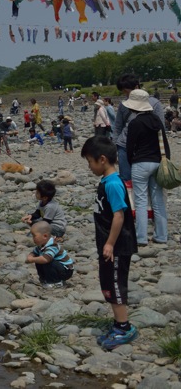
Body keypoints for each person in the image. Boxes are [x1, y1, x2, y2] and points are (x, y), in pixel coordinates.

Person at [81, 136, 139, 351]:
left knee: (115, 284)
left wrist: (110, 244)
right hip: (109, 244)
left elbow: (119, 216)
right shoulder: (107, 181)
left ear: (102, 159)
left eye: (90, 162)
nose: (89, 167)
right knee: (107, 282)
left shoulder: (113, 183)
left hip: (117, 245)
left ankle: (124, 327)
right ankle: (118, 323)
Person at [122, 89, 170, 246]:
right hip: (157, 162)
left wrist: (131, 162)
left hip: (140, 163)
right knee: (158, 201)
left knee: (141, 201)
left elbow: (130, 147)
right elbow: (165, 144)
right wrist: (165, 163)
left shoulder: (135, 123)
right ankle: (161, 236)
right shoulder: (157, 121)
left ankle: (141, 238)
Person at [114, 74, 166, 185]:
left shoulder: (154, 103)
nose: (125, 94)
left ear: (136, 87)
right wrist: (115, 146)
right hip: (124, 145)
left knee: (150, 182)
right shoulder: (123, 104)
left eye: (126, 91)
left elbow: (161, 127)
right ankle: (129, 202)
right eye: (123, 92)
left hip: (146, 148)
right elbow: (118, 126)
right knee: (126, 179)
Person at [25, 220, 74, 288]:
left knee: (45, 261)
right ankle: (45, 279)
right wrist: (30, 256)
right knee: (38, 260)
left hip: (66, 271)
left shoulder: (52, 246)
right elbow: (34, 252)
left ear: (45, 236)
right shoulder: (41, 245)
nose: (33, 239)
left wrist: (32, 259)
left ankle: (56, 282)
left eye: (34, 236)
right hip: (58, 268)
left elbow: (46, 259)